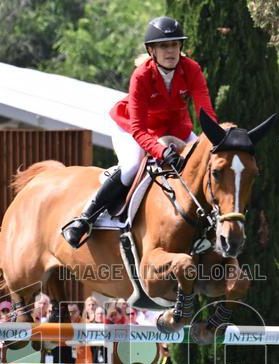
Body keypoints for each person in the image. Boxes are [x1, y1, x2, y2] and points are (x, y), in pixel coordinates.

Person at [60, 16, 217, 248]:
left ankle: (213, 226)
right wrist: (161, 152)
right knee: (131, 167)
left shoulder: (191, 69)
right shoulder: (141, 76)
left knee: (207, 163)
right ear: (151, 50)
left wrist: (216, 141)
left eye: (174, 44)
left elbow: (207, 115)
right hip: (133, 128)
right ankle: (85, 218)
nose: (170, 51)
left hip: (176, 130)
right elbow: (139, 130)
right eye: (164, 46)